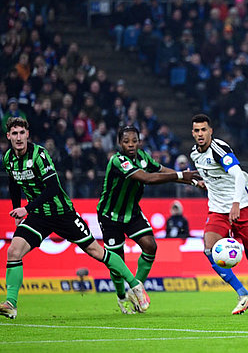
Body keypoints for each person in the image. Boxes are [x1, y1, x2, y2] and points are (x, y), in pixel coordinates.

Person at [0, 118, 150, 319]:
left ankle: (134, 286)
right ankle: (11, 303)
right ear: (8, 136)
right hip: (38, 216)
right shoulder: (8, 158)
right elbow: (13, 183)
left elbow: (53, 188)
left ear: (28, 134)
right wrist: (17, 208)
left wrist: (26, 209)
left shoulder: (40, 155)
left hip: (63, 214)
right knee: (13, 251)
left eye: (22, 133)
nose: (18, 137)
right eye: (14, 133)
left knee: (97, 252)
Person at [97, 125, 200, 314]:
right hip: (110, 216)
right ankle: (122, 297)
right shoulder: (118, 160)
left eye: (134, 141)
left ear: (139, 142)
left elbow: (161, 170)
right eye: (126, 141)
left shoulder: (143, 157)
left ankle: (137, 291)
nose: (130, 145)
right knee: (116, 261)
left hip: (132, 213)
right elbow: (147, 179)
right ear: (119, 143)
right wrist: (180, 175)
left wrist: (190, 180)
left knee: (150, 246)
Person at [189, 114, 248, 315]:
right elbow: (213, 177)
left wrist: (236, 204)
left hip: (243, 205)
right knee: (209, 250)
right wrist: (203, 183)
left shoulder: (219, 149)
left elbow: (238, 175)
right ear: (192, 133)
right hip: (217, 209)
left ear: (210, 131)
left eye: (203, 130)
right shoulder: (195, 155)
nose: (200, 134)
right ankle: (243, 294)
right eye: (196, 131)